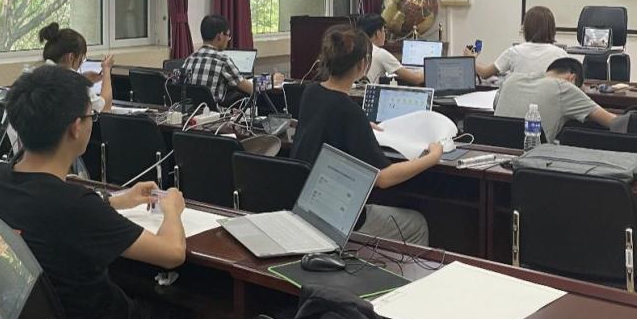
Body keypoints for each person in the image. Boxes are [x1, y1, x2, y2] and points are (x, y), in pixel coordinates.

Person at [0, 65, 223, 319]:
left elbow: (53, 212)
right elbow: (172, 253)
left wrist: (115, 201)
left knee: (137, 292)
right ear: (75, 128)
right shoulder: (74, 206)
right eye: (90, 116)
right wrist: (172, 209)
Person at [290, 25, 443, 246]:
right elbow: (384, 178)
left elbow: (326, 124)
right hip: (339, 217)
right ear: (363, 65)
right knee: (417, 224)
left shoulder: (311, 92)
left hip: (307, 203)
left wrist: (361, 125)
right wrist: (432, 157)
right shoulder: (350, 111)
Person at [494, 57, 617, 143]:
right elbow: (613, 122)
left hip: (495, 154)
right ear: (572, 78)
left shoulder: (511, 79)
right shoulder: (564, 87)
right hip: (531, 160)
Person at [465, 6, 568, 80]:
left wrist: (470, 59)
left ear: (526, 28)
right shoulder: (561, 55)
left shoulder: (514, 52)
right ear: (552, 29)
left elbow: (485, 73)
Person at [40, 22, 113, 112]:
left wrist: (82, 78)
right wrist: (106, 69)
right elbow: (105, 108)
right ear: (71, 57)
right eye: (81, 58)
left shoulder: (36, 75)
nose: (80, 63)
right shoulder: (75, 85)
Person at [181, 14, 253, 105]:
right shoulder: (222, 60)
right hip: (214, 112)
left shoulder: (189, 59)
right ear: (220, 36)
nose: (228, 39)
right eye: (228, 35)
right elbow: (250, 89)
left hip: (191, 112)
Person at [357, 13, 424, 85]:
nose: (385, 34)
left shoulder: (355, 48)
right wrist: (427, 71)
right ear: (378, 33)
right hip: (366, 91)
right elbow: (416, 79)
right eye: (384, 30)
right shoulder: (380, 54)